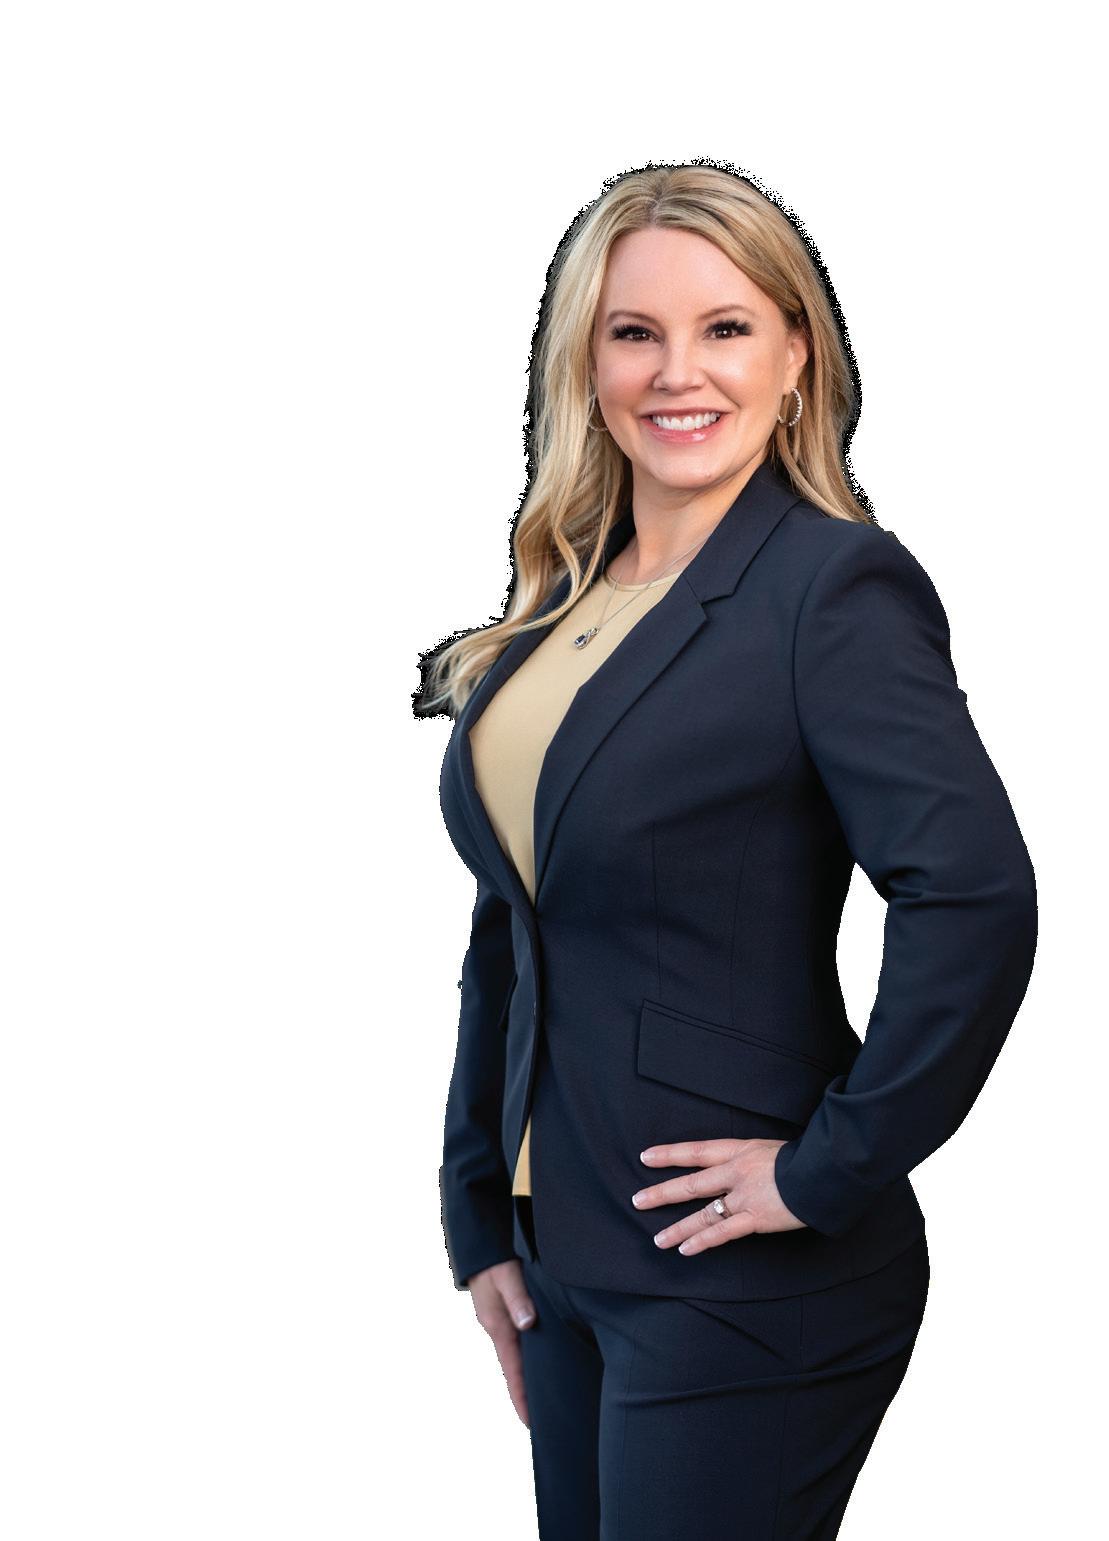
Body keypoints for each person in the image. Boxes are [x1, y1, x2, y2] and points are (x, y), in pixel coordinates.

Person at [417, 165, 1037, 1540]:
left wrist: (828, 1165)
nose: (675, 372)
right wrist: (482, 1216)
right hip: (566, 1254)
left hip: (740, 1275)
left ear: (796, 356)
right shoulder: (560, 606)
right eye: (634, 332)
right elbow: (511, 924)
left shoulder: (830, 589)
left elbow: (974, 897)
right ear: (585, 362)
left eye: (726, 328)